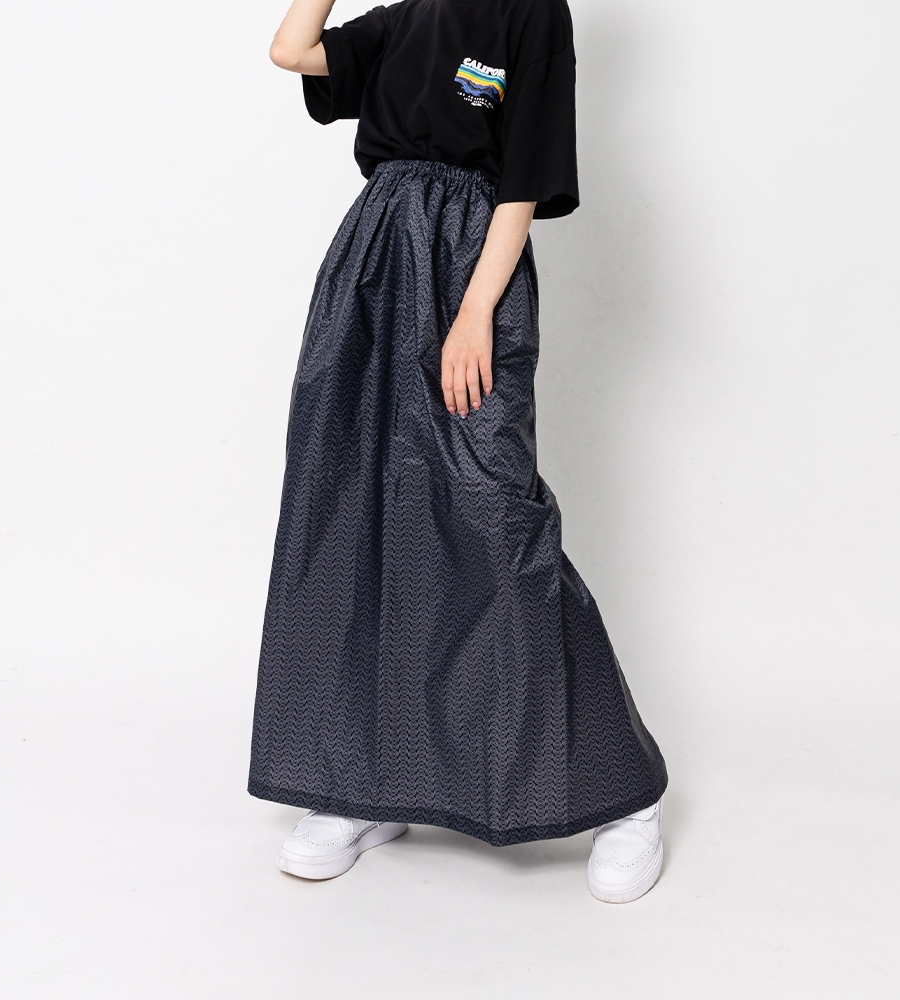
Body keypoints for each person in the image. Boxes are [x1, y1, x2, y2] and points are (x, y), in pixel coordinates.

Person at [248, 0, 669, 904]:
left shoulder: (530, 13)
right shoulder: (403, 19)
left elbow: (525, 177)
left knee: (496, 521)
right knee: (350, 510)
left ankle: (624, 795)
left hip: (470, 266)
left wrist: (475, 311)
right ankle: (357, 785)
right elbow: (292, 49)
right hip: (371, 264)